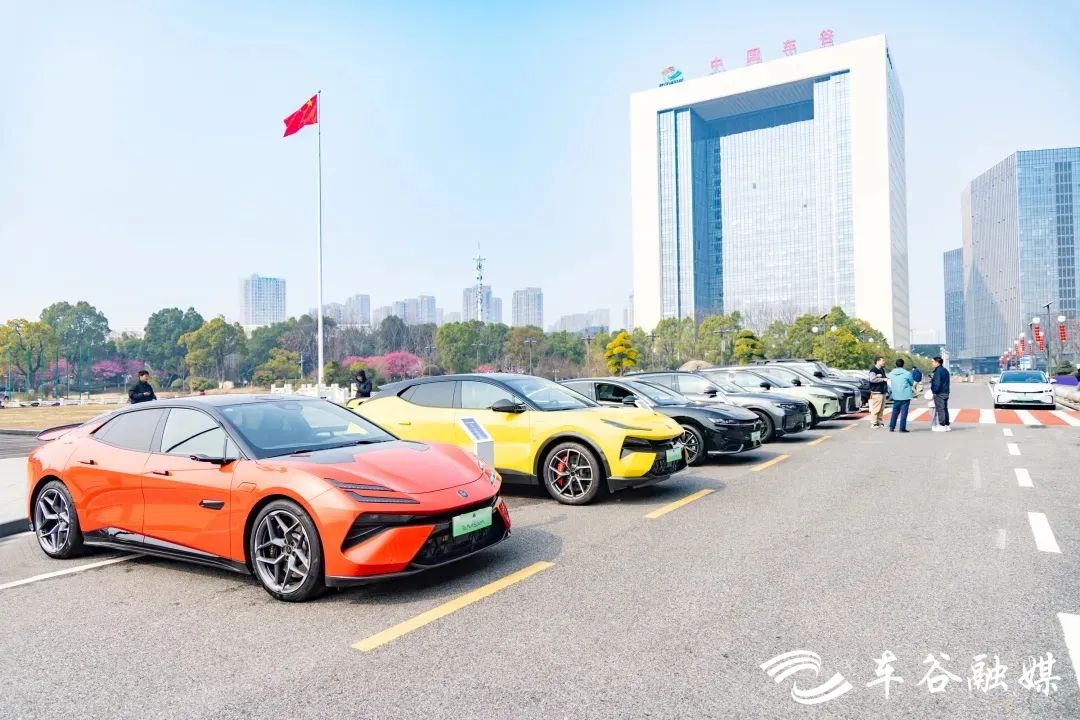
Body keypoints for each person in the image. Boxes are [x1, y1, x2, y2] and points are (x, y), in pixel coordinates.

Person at [887, 359, 914, 433]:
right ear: (903, 364)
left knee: (895, 412)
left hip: (896, 395)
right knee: (904, 412)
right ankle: (902, 428)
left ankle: (892, 427)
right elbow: (912, 382)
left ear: (896, 365)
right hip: (905, 396)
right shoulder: (907, 373)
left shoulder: (891, 373)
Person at [931, 356, 951, 432]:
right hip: (945, 391)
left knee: (940, 409)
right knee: (945, 409)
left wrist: (934, 391)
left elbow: (937, 383)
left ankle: (942, 425)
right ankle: (947, 425)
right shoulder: (945, 370)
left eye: (933, 362)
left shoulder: (938, 371)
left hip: (939, 392)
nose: (932, 363)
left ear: (937, 362)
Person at [867, 356, 889, 427]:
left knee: (881, 409)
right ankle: (874, 423)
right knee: (876, 408)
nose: (884, 362)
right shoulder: (873, 370)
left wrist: (886, 378)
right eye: (882, 361)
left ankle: (880, 422)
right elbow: (872, 379)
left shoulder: (882, 369)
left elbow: (884, 378)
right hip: (876, 392)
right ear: (878, 361)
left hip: (883, 391)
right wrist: (882, 379)